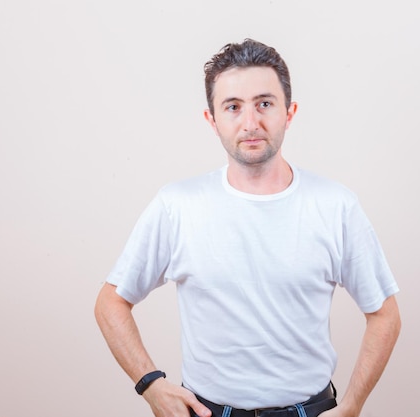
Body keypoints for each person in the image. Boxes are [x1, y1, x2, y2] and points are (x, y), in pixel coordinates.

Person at [94, 38, 401, 417]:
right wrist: (150, 385)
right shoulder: (177, 206)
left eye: (265, 104)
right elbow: (111, 302)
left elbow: (385, 313)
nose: (250, 122)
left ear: (289, 112)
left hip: (310, 409)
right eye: (233, 107)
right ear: (212, 119)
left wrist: (352, 406)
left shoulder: (336, 206)